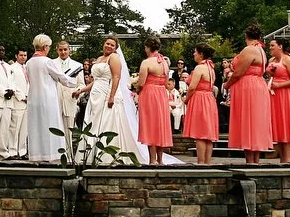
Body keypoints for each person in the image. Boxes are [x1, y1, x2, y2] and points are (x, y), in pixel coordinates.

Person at [82, 37, 147, 164]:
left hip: (108, 93)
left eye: (112, 45)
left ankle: (107, 154)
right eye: (107, 43)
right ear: (103, 44)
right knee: (93, 123)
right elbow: (95, 81)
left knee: (107, 121)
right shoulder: (99, 59)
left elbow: (116, 77)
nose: (109, 46)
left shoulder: (114, 58)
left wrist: (111, 96)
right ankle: (91, 153)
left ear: (115, 48)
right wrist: (82, 90)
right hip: (96, 95)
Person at [24, 35, 80, 162]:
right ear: (45, 47)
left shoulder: (29, 62)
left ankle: (37, 154)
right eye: (48, 47)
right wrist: (73, 83)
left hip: (34, 98)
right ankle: (52, 155)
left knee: (36, 126)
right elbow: (61, 77)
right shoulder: (47, 61)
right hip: (48, 98)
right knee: (51, 124)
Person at [225, 23, 271, 163]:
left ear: (246, 36)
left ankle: (250, 161)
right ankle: (254, 159)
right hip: (258, 85)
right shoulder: (261, 50)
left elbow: (239, 72)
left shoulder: (249, 49)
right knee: (254, 121)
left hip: (248, 87)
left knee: (248, 120)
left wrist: (227, 84)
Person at [134, 36, 174, 165]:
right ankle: (161, 159)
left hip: (149, 94)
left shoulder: (146, 62)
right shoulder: (164, 63)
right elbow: (166, 81)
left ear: (148, 47)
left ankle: (152, 159)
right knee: (160, 125)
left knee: (150, 125)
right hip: (162, 93)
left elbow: (141, 83)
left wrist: (137, 92)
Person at [181, 43, 219, 165]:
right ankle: (207, 162)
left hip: (200, 99)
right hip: (209, 98)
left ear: (201, 54)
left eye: (195, 52)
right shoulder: (211, 68)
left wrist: (186, 99)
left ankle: (201, 162)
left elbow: (192, 87)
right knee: (207, 134)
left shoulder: (199, 68)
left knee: (200, 133)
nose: (194, 54)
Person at [267, 37, 290, 164]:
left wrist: (279, 85)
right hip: (274, 95)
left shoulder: (288, 60)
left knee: (286, 123)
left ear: (280, 46)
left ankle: (286, 159)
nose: (270, 48)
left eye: (272, 45)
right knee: (279, 125)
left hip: (286, 95)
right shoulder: (271, 61)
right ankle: (281, 156)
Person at [55, 41, 85, 157]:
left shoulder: (77, 65)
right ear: (57, 50)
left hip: (70, 100)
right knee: (55, 129)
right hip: (55, 101)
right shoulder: (51, 63)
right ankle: (56, 156)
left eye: (65, 50)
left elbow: (81, 84)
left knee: (69, 130)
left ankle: (68, 156)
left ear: (69, 50)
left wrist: (78, 92)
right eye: (61, 50)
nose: (63, 52)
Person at [6, 48, 29, 158]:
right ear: (16, 56)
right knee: (14, 127)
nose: (23, 57)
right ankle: (12, 150)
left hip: (28, 101)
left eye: (25, 55)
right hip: (18, 100)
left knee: (24, 129)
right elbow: (12, 84)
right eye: (21, 55)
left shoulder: (27, 68)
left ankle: (22, 150)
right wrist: (23, 97)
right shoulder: (12, 68)